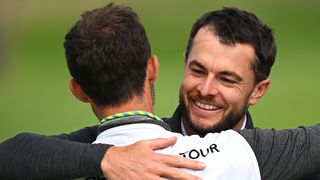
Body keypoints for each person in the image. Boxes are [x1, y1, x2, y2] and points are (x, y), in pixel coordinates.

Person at [1, 4, 320, 180]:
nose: (206, 90)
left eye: (227, 79)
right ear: (162, 67)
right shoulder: (121, 145)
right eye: (197, 70)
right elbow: (12, 154)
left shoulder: (277, 160)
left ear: (258, 90)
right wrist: (108, 159)